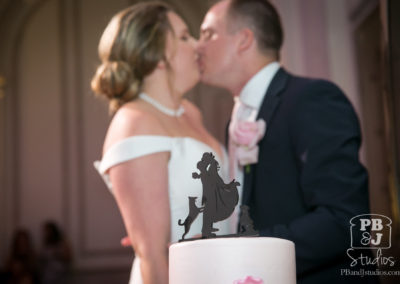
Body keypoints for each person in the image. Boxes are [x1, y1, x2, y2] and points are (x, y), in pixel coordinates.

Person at [196, 0, 377, 283]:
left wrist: (240, 249)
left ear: (244, 39)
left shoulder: (312, 99)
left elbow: (344, 220)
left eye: (208, 34)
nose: (198, 46)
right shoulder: (235, 119)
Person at [92, 2, 236, 283]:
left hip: (220, 267)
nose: (196, 45)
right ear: (157, 54)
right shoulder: (134, 122)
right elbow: (152, 254)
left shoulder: (190, 113)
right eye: (184, 37)